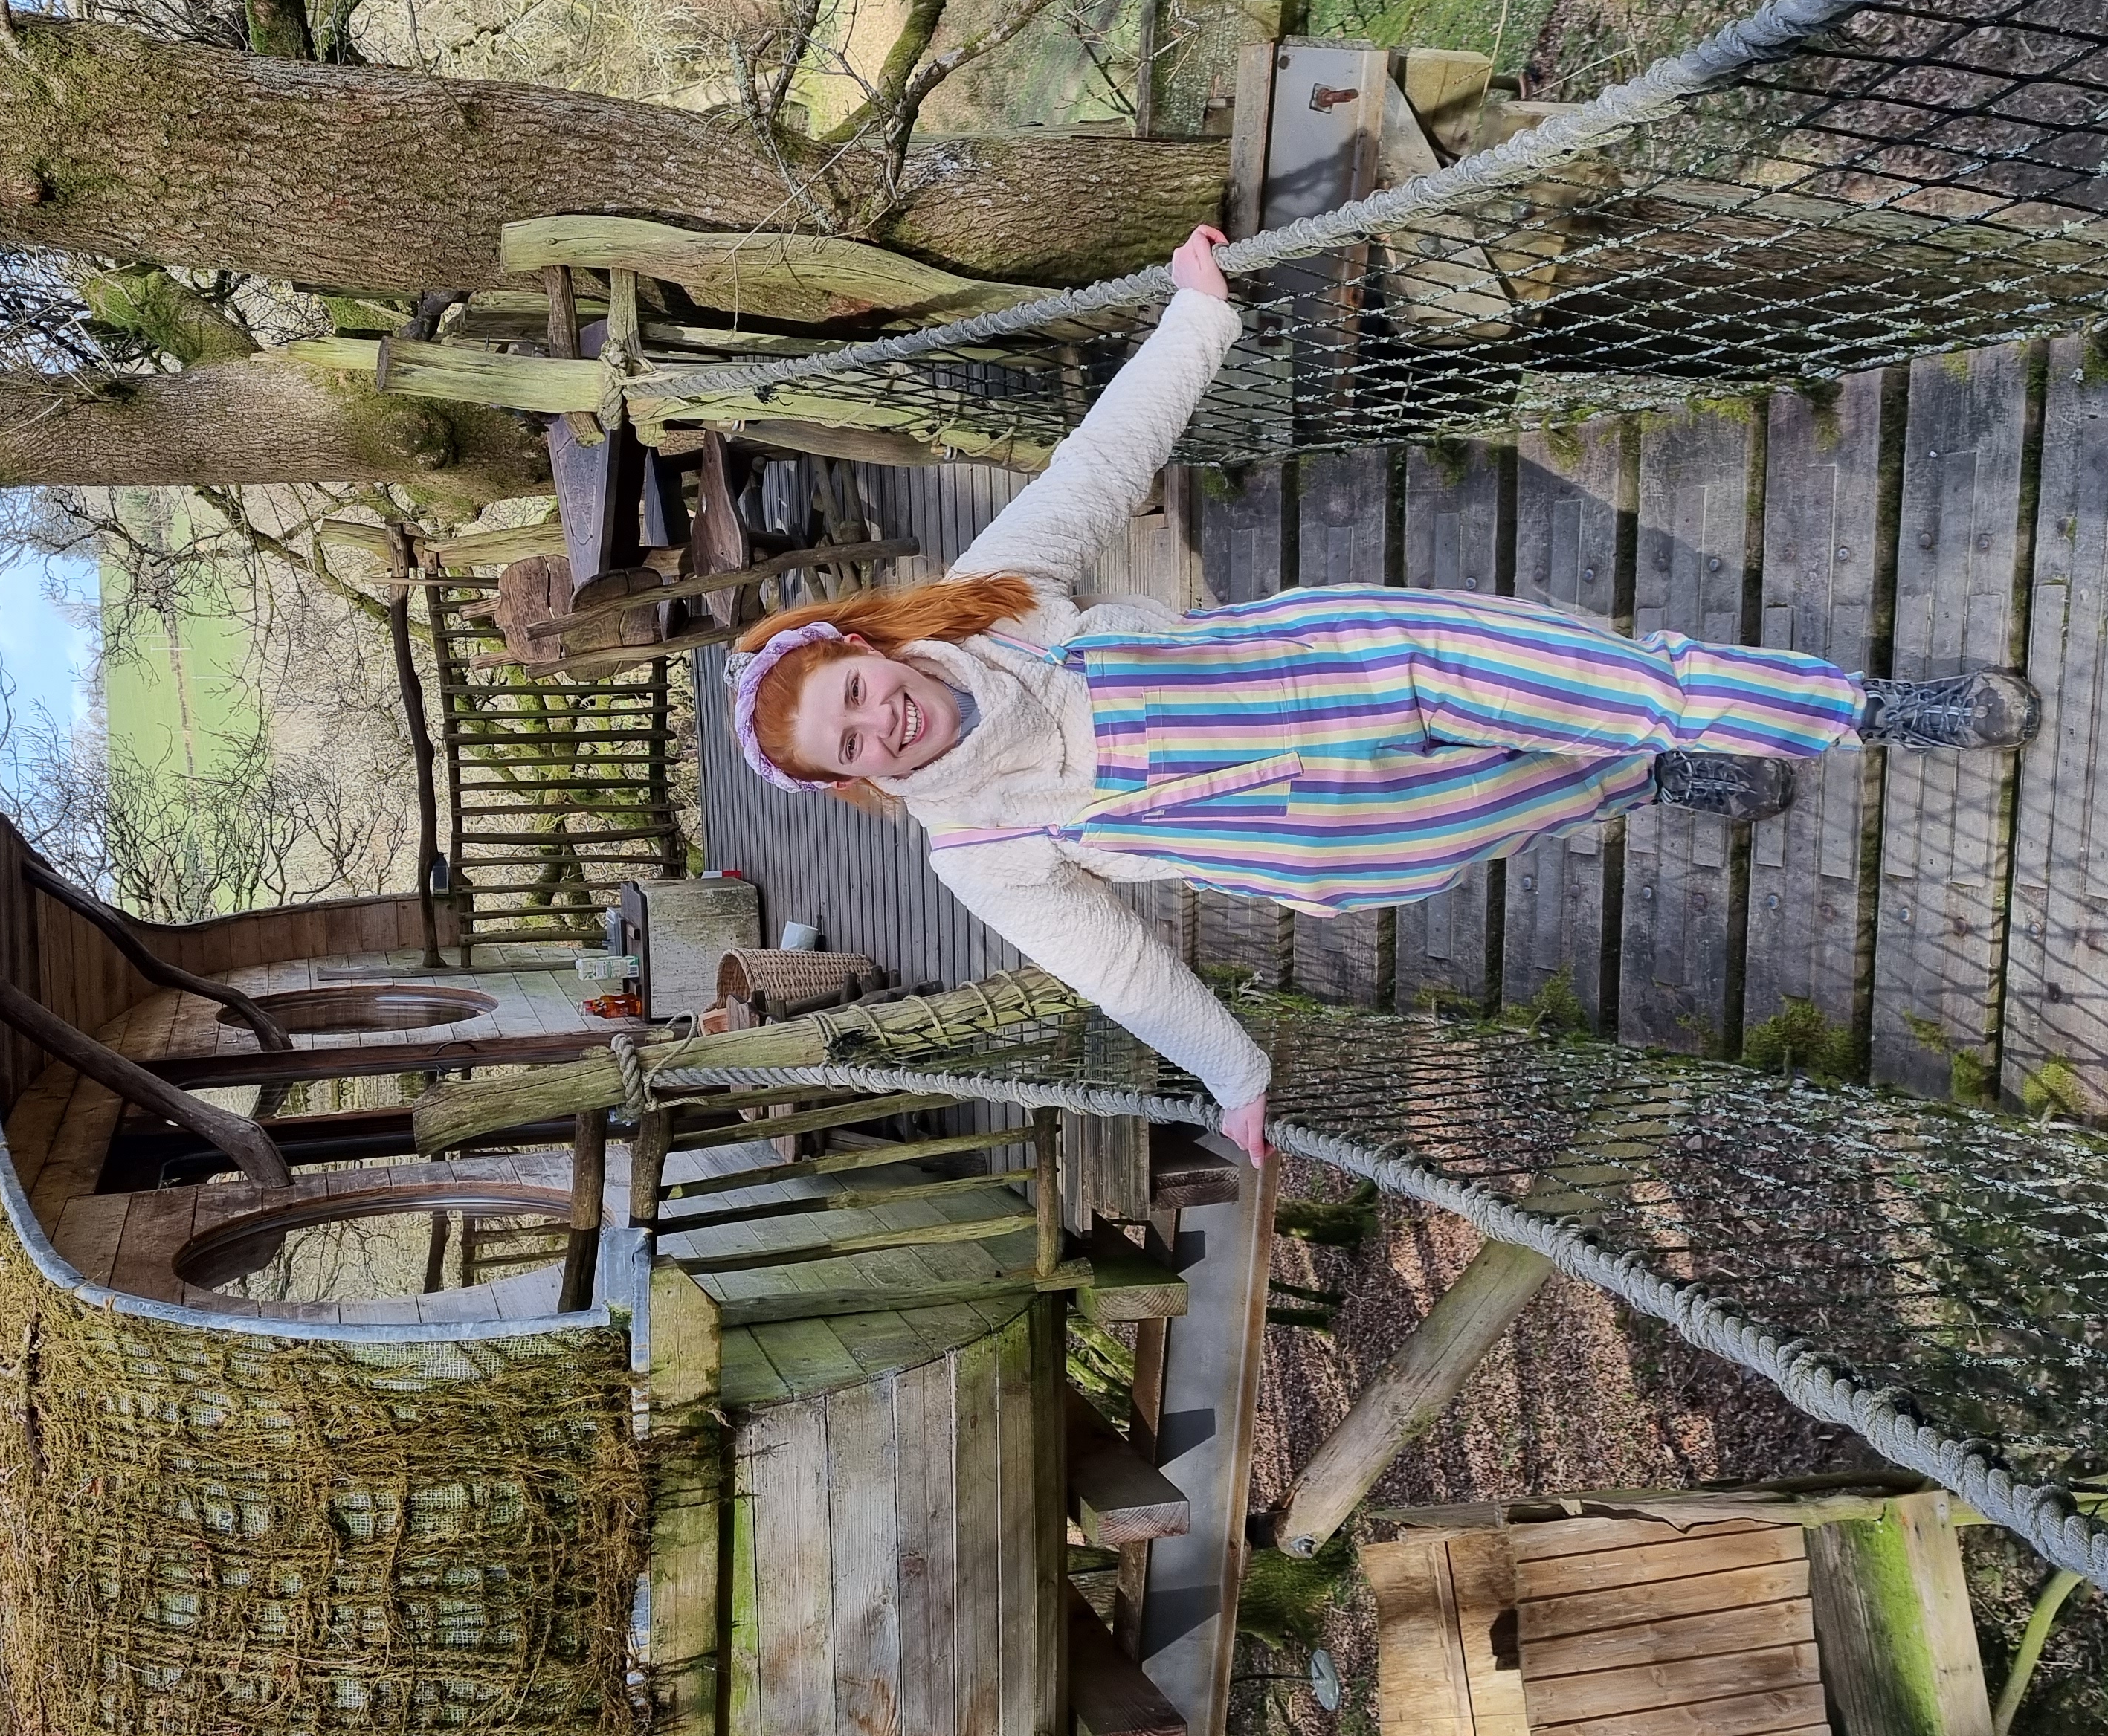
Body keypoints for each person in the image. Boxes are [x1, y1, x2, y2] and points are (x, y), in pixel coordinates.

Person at [729, 226, 2038, 1161]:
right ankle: (1653, 775)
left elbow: (1101, 462)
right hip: (1359, 835)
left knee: (1616, 681)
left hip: (1362, 656)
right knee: (1550, 780)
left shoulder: (989, 601)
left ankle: (1871, 711)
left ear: (862, 646)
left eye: (855, 690)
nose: (881, 719)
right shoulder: (977, 851)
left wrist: (1196, 320)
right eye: (853, 742)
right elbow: (1121, 968)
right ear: (856, 777)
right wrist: (1234, 1076)